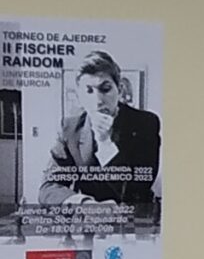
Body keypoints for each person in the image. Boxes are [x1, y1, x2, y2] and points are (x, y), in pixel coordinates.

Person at [40, 52, 160, 214]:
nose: (98, 101)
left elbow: (138, 188)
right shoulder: (70, 128)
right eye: (89, 91)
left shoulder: (146, 123)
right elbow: (49, 187)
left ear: (120, 90)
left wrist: (105, 143)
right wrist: (83, 203)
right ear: (79, 95)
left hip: (135, 219)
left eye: (105, 89)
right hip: (89, 220)